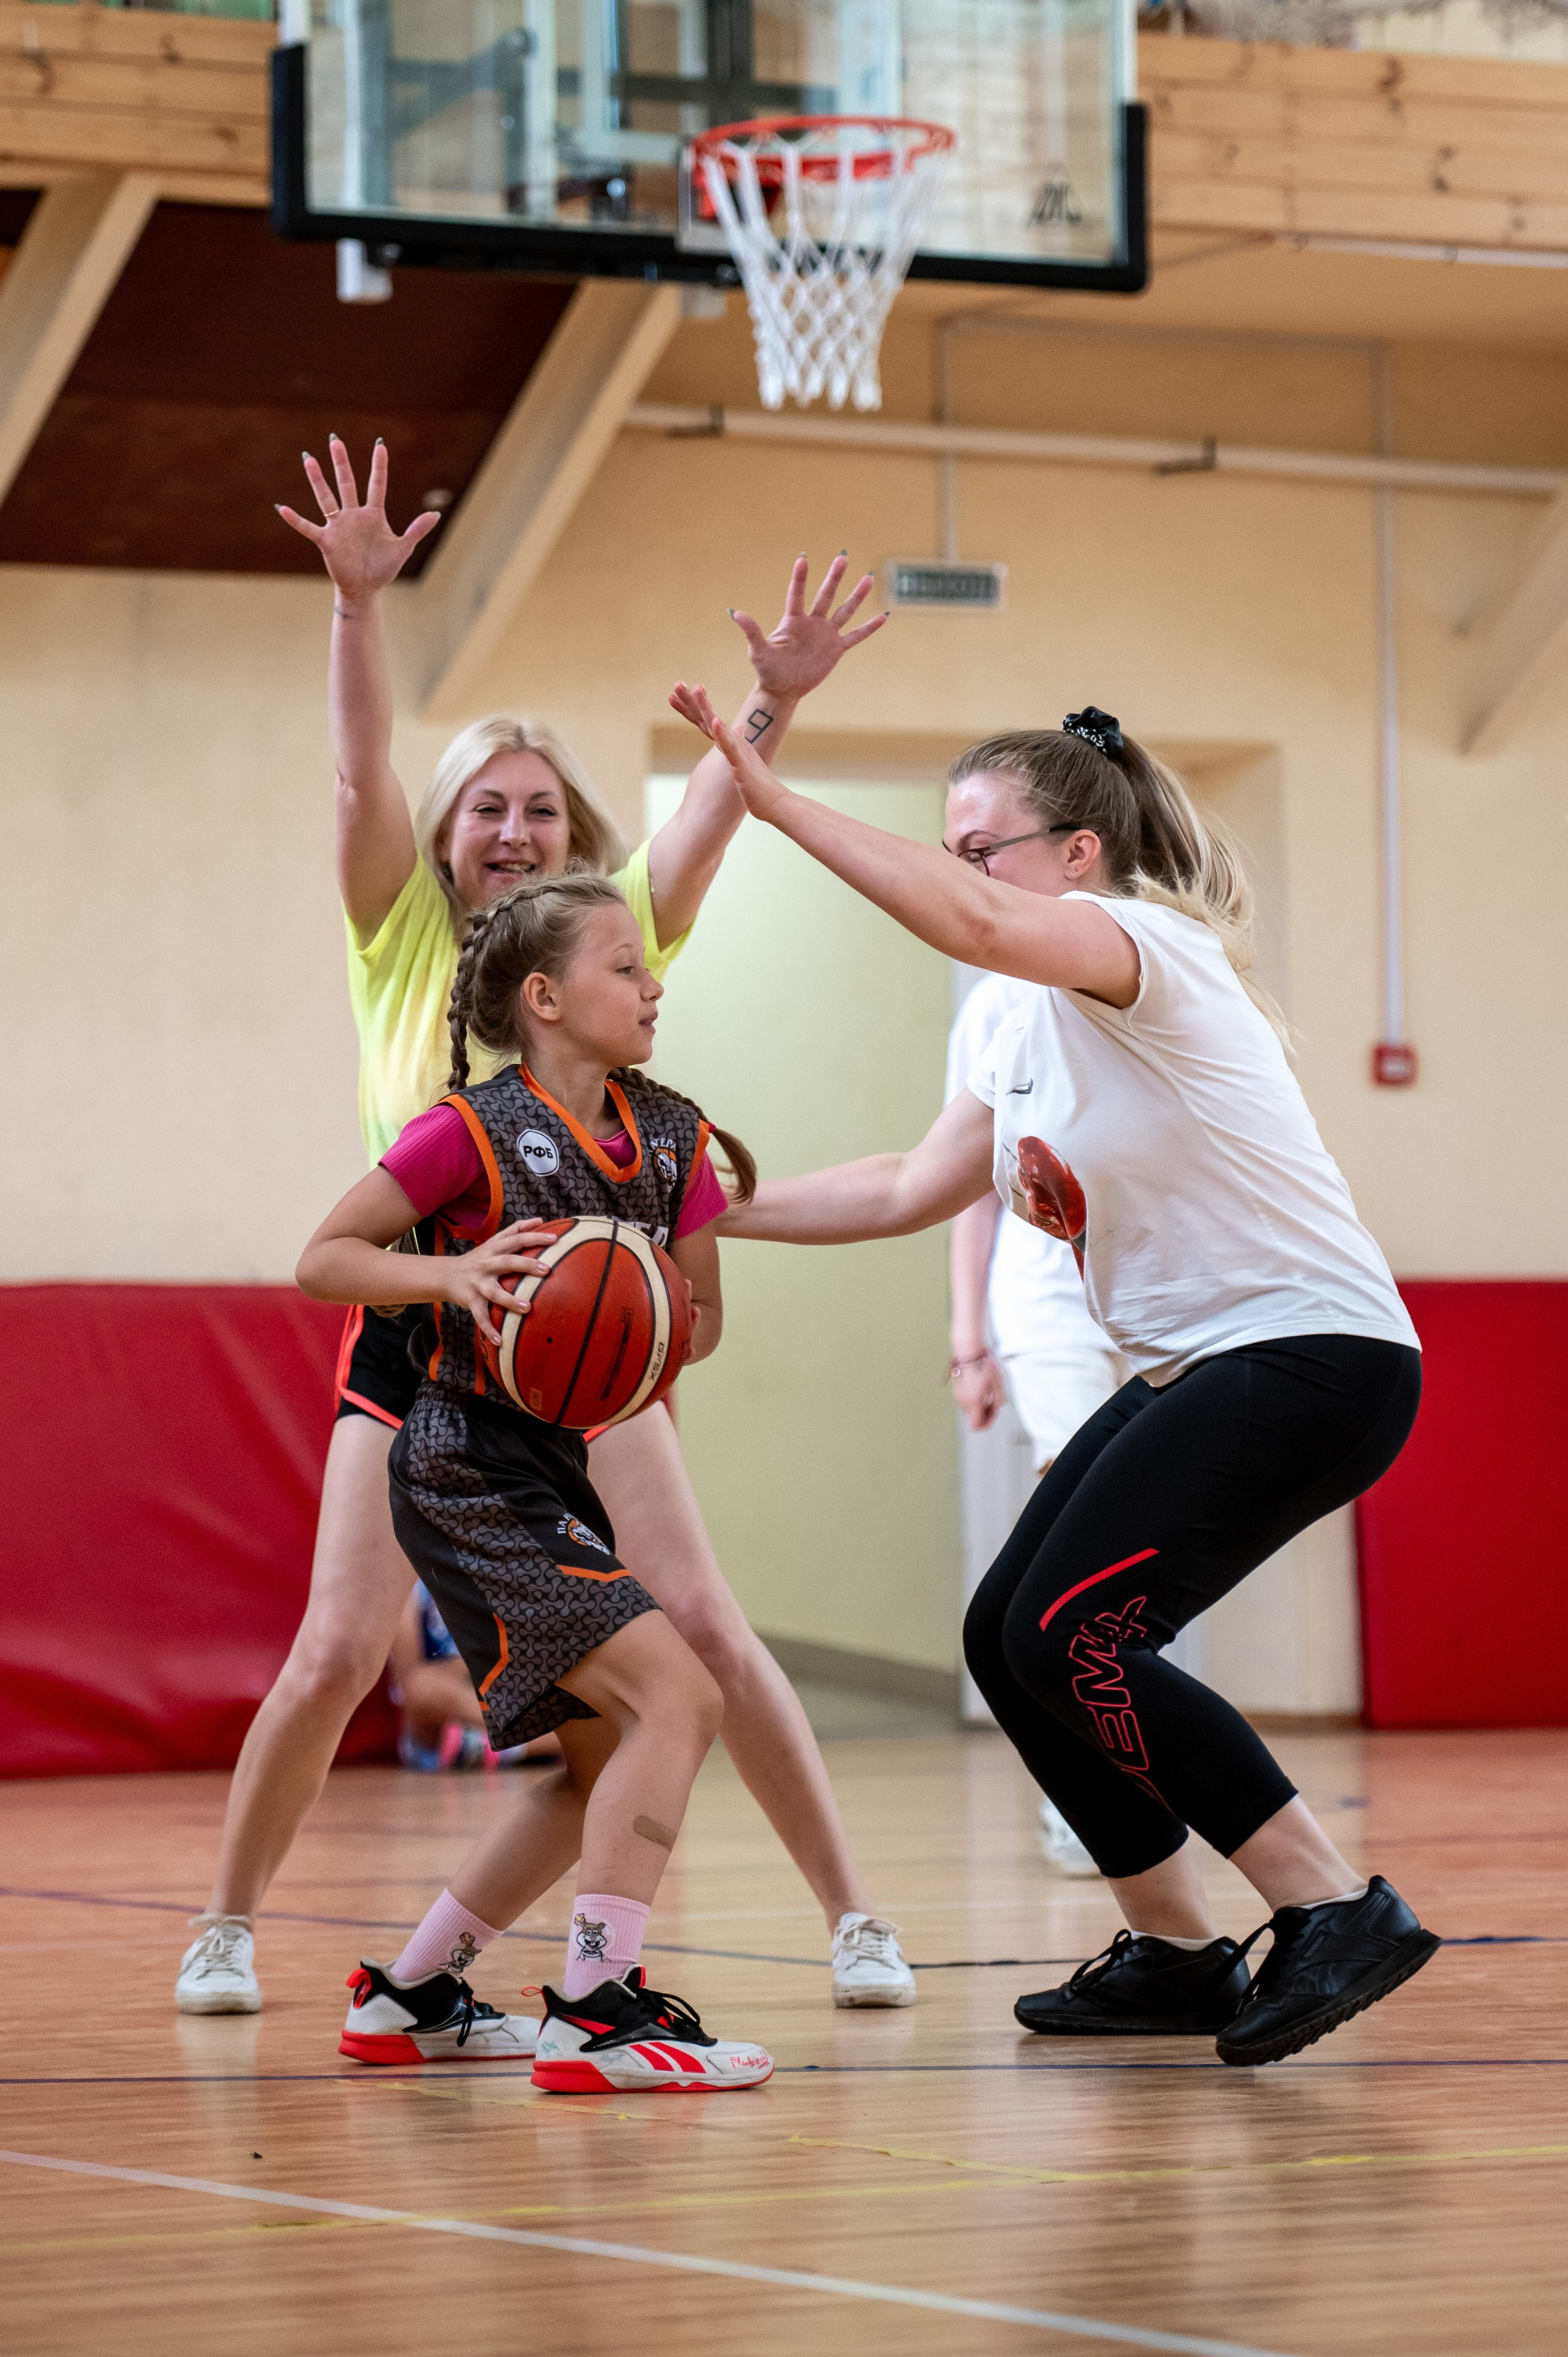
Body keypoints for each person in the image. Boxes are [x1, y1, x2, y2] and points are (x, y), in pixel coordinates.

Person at [174, 437, 914, 2019]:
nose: (510, 829)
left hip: (584, 1330)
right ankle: (225, 1926)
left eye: (535, 808)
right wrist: (357, 609)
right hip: (426, 1321)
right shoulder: (400, 935)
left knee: (702, 1623)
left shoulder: (607, 940)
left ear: (569, 832)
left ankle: (854, 1915)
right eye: (483, 807)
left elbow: (710, 809)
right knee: (338, 1647)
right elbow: (358, 776)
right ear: (446, 833)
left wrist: (771, 699)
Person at [673, 685, 1439, 2069]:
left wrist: (773, 803)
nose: (964, 876)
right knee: (1006, 1638)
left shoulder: (1146, 946)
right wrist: (706, 1205)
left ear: (1079, 854)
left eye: (983, 849)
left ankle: (1331, 1902)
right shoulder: (1012, 1022)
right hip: (1203, 1362)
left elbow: (970, 924)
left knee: (1076, 1631)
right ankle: (1175, 1948)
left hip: (1314, 1352)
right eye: (953, 852)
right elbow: (907, 1186)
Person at [298, 872, 772, 2091]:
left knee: (601, 1757)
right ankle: (599, 2009)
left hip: (551, 1465)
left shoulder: (674, 1140)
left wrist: (642, 1314)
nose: (653, 985)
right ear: (546, 998)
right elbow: (325, 1257)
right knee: (682, 1695)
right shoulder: (466, 1131)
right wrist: (448, 1278)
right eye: (625, 966)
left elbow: (705, 1320)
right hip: (460, 1461)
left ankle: (410, 1996)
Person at [946, 973, 1126, 1878]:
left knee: (1148, 1554)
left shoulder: (1151, 970)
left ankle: (1135, 1773)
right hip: (1051, 1313)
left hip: (1162, 1303)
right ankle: (1081, 1798)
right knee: (1092, 1544)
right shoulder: (996, 1005)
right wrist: (968, 1342)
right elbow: (965, 1186)